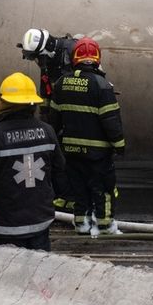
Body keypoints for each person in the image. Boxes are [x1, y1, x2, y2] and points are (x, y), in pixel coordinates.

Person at [0, 72, 67, 250]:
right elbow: (60, 173)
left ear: (4, 102)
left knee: (6, 276)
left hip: (6, 225)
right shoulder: (47, 131)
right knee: (39, 272)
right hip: (40, 221)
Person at [47, 37, 124, 236]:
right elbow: (111, 121)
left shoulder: (61, 83)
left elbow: (53, 120)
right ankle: (105, 226)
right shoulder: (102, 85)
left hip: (71, 151)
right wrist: (119, 145)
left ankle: (81, 225)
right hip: (98, 153)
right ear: (97, 58)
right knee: (103, 189)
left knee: (79, 189)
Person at [18, 27, 77, 100]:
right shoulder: (46, 62)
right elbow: (45, 93)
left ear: (46, 49)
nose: (37, 60)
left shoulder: (72, 49)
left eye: (35, 56)